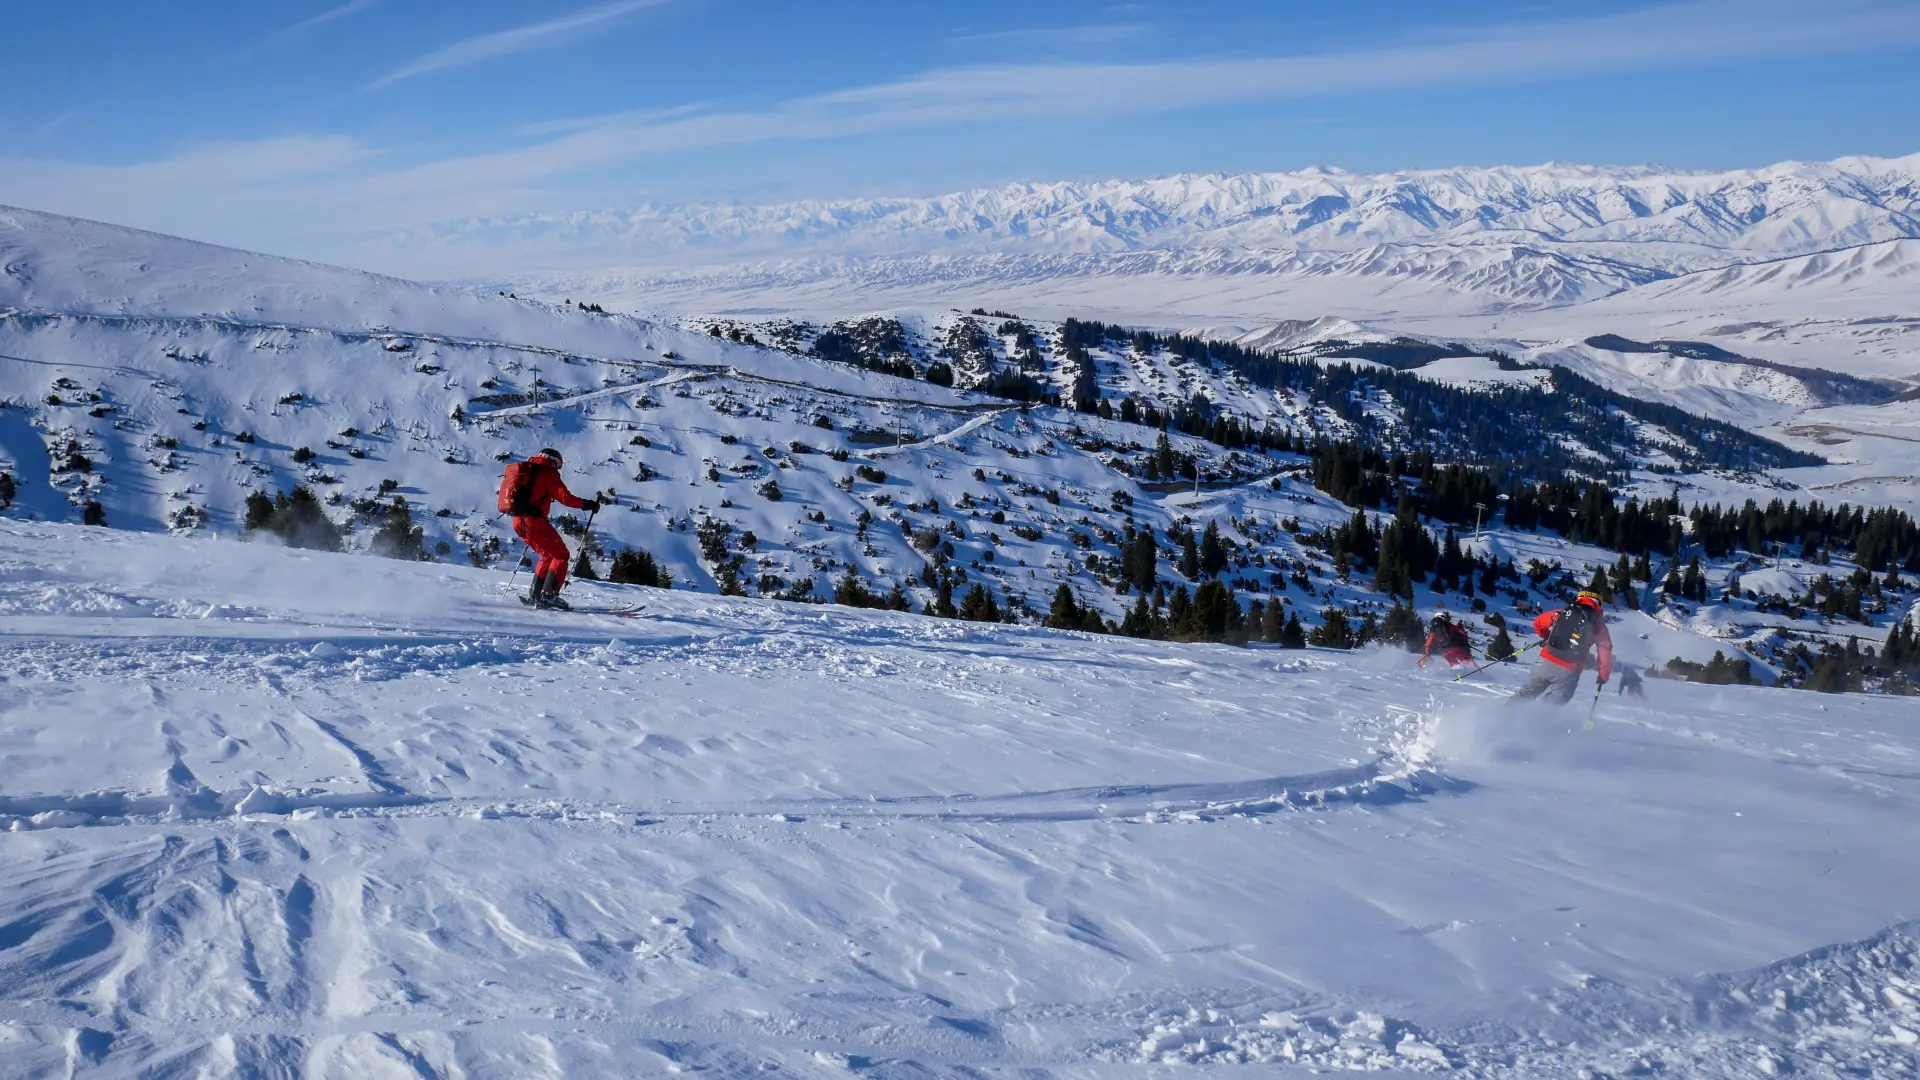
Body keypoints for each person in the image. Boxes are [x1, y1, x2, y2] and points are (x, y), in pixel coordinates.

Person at [498, 448, 599, 610]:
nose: (558, 468)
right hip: (534, 522)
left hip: (518, 521)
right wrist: (588, 505)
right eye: (558, 464)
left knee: (547, 555)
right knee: (561, 555)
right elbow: (566, 498)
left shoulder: (528, 471)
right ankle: (549, 595)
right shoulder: (547, 473)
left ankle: (536, 595)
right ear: (554, 461)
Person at [1510, 590, 1613, 703]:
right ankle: (1536, 719)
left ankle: (1502, 715)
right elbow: (1605, 650)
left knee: (1526, 693)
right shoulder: (1599, 626)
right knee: (1554, 705)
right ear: (1598, 603)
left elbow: (1538, 622)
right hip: (1570, 669)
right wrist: (1603, 674)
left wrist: (1547, 637)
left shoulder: (1564, 612)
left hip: (1546, 660)